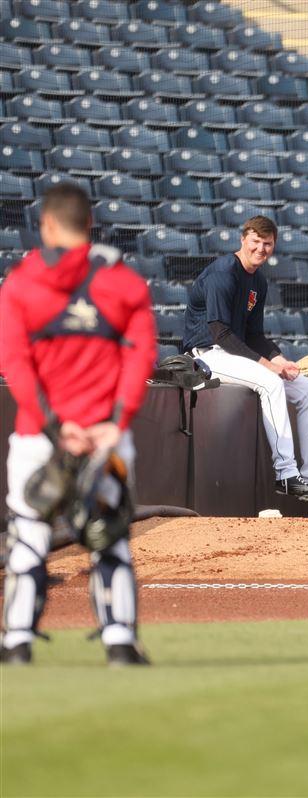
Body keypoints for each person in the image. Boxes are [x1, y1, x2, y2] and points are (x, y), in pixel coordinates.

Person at [0, 183, 157, 665]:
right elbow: (141, 358)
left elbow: (15, 363)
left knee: (29, 530)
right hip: (104, 434)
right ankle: (120, 643)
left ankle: (17, 642)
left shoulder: (21, 283)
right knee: (107, 531)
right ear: (89, 225)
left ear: (46, 225)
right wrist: (114, 422)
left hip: (37, 434)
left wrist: (54, 427)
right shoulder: (125, 283)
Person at [181, 215, 308, 511]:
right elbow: (220, 333)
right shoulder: (223, 273)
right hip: (205, 354)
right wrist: (269, 367)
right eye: (255, 241)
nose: (261, 248)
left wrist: (281, 360)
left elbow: (254, 334)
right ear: (243, 240)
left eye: (267, 243)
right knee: (272, 382)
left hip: (234, 353)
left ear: (274, 246)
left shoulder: (257, 281)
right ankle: (286, 474)